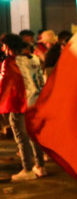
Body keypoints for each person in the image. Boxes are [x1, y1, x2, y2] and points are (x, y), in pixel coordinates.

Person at [0, 34, 47, 181]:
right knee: (34, 136)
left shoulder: (10, 62)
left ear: (7, 46)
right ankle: (40, 166)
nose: (2, 48)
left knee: (22, 137)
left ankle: (27, 169)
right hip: (36, 102)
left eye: (3, 45)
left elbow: (4, 84)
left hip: (20, 104)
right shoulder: (33, 59)